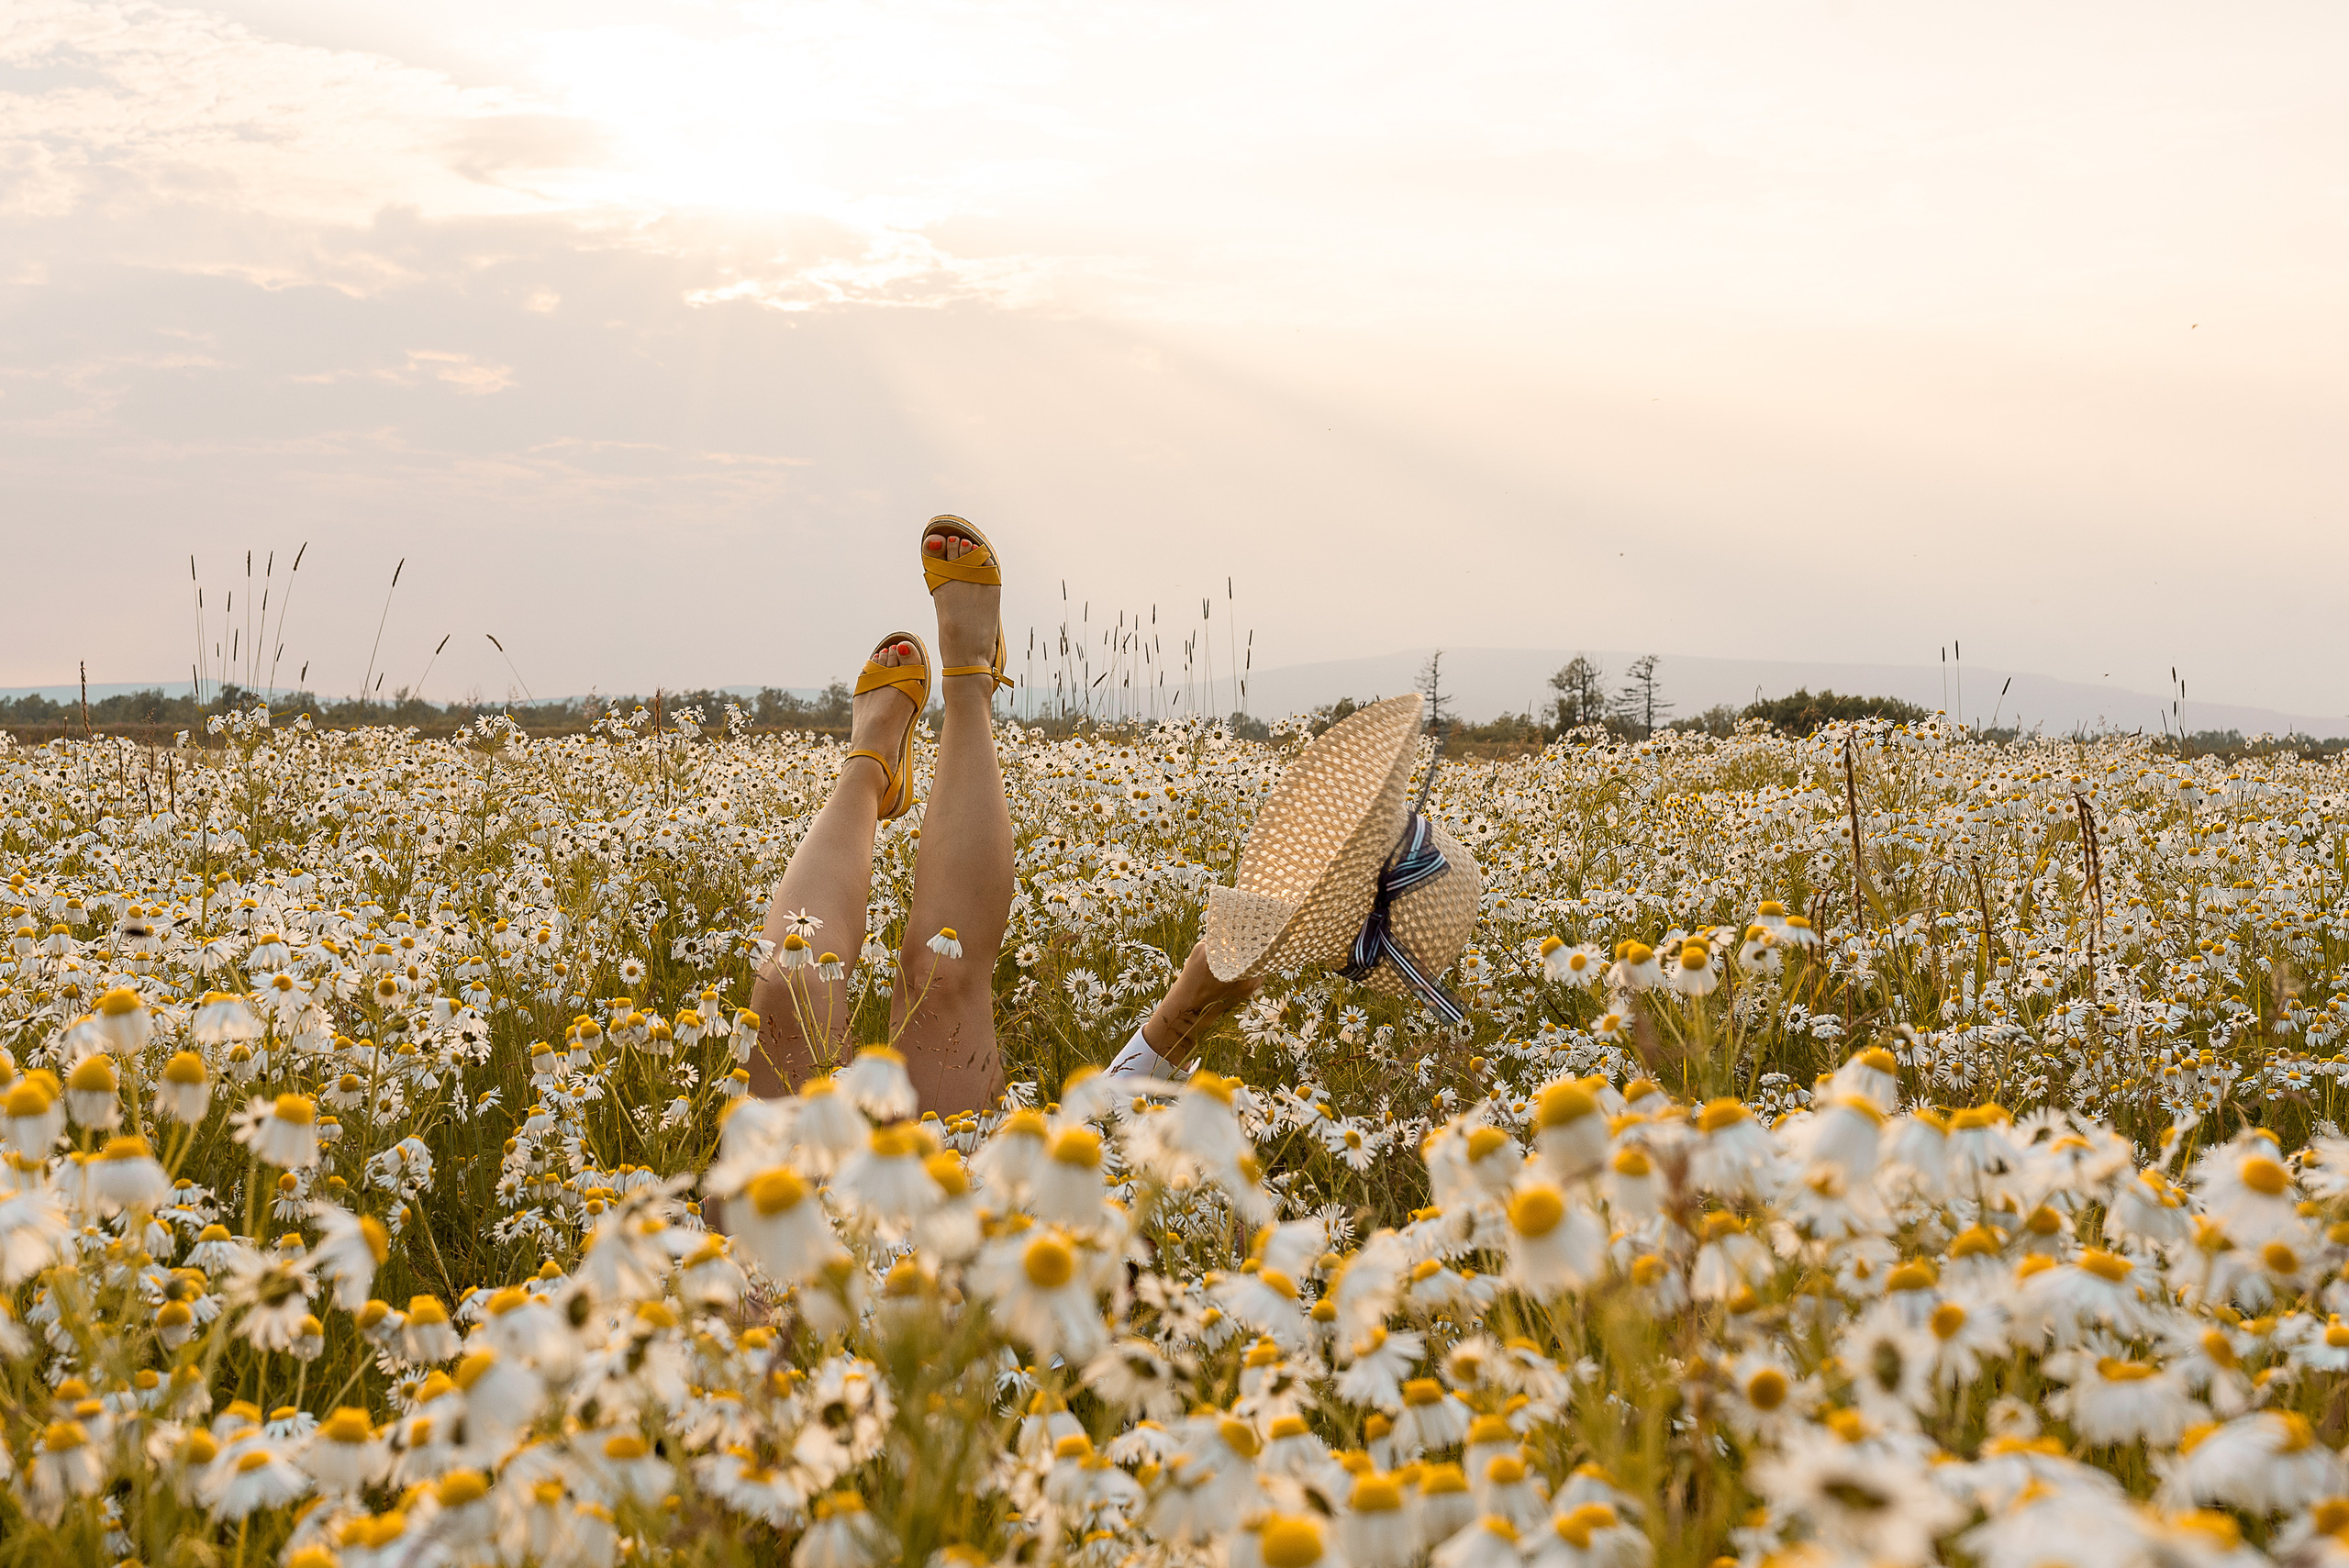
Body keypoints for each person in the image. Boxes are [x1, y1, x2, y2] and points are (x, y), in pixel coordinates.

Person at [745, 517, 1258, 1115]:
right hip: (962, 1170)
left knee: (797, 982)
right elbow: (1083, 1146)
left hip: (791, 1176)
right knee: (931, 979)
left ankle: (870, 765)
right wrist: (1181, 1021)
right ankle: (969, 682)